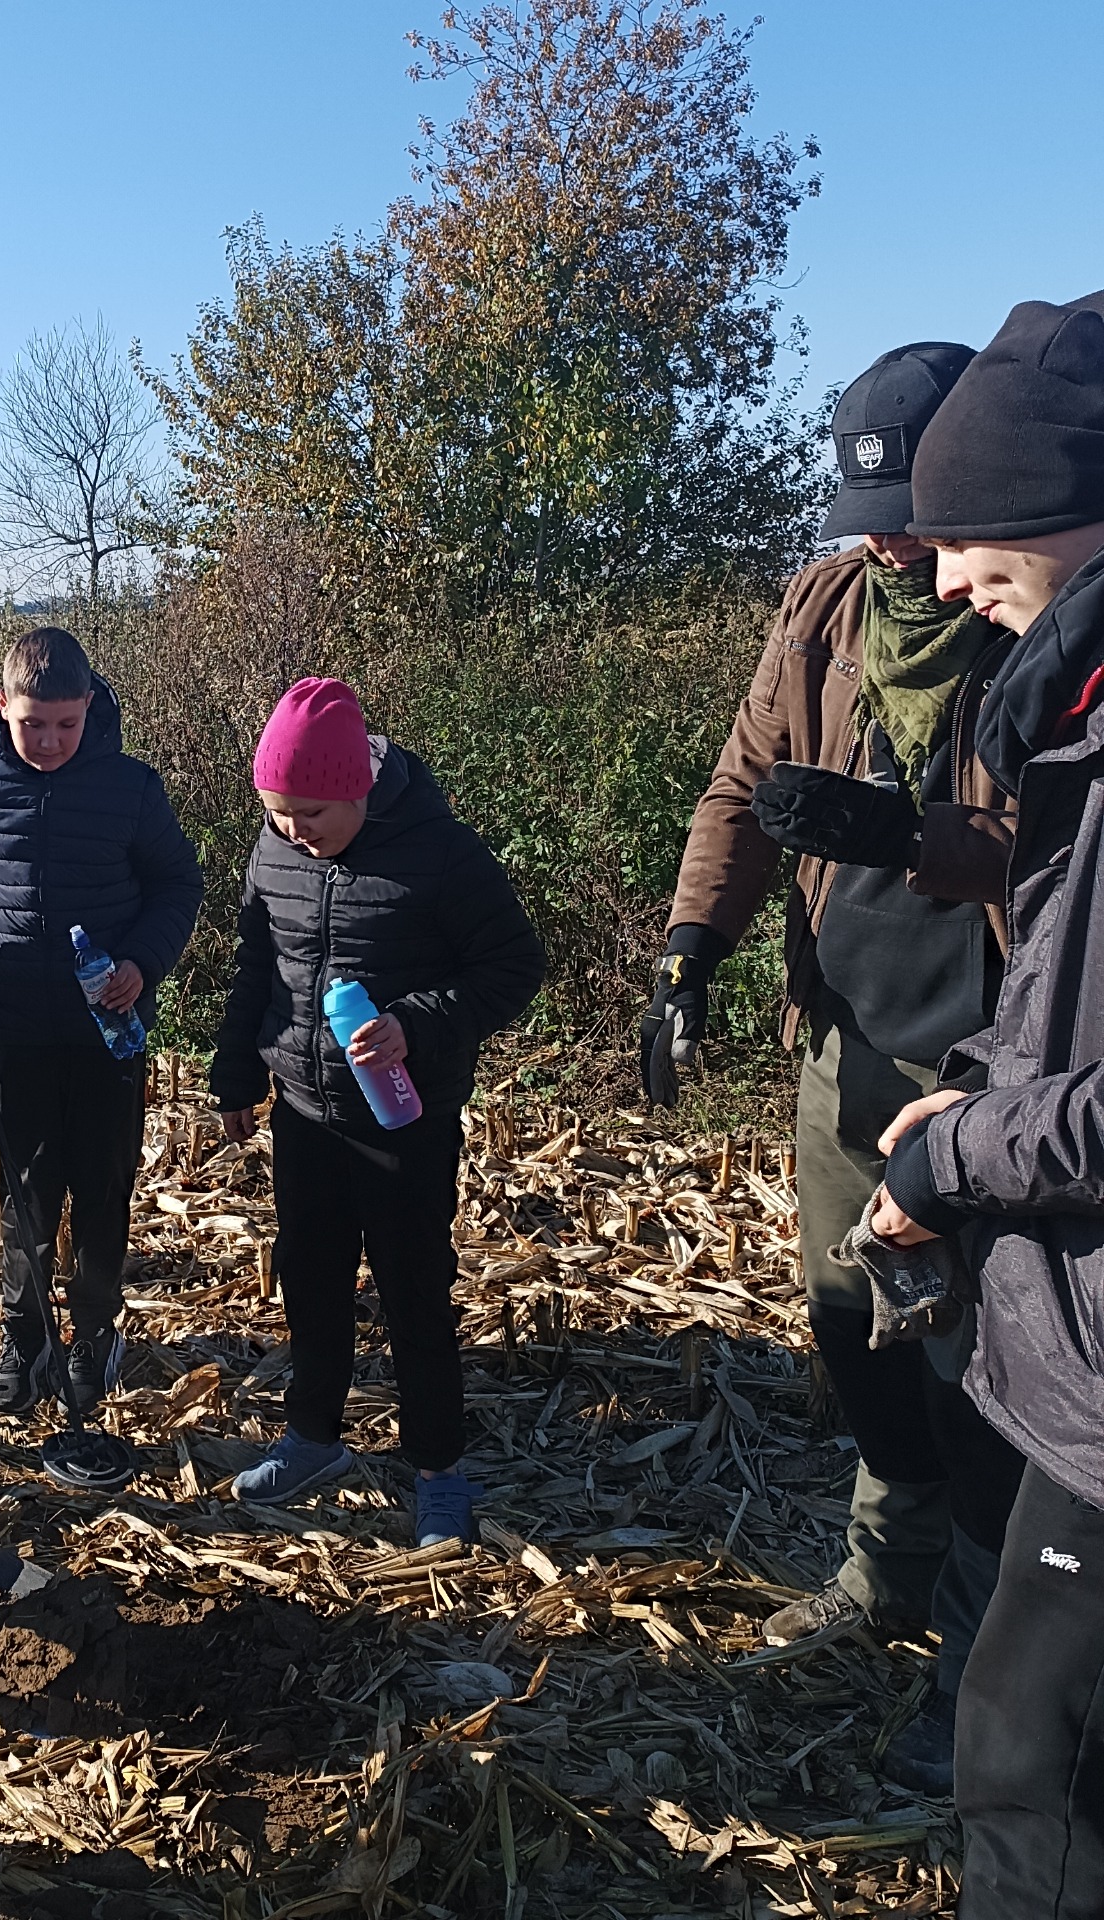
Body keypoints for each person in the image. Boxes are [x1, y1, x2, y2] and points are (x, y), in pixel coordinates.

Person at [644, 343, 1026, 1788]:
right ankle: (885, 1576)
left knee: (988, 1360)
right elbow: (743, 789)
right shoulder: (823, 609)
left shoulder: (1035, 618)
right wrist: (691, 946)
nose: (891, 547)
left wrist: (916, 839)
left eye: (911, 518)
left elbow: (1069, 851)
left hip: (996, 1057)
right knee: (849, 1315)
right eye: (869, 519)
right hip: (850, 1030)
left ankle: (985, 1662)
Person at [871, 295, 1104, 1918]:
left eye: (970, 533)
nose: (946, 578)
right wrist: (965, 1097)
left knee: (1032, 1775)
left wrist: (961, 1149)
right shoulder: (1076, 719)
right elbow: (1069, 993)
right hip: (1076, 1339)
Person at [210, 678, 544, 1545]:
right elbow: (258, 966)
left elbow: (512, 966)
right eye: (279, 813)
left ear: (358, 787)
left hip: (406, 1120)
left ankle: (438, 1467)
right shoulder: (274, 851)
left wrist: (414, 1025)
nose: (295, 830)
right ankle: (313, 1438)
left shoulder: (441, 852)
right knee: (310, 1280)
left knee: (414, 1291)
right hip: (304, 1111)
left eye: (312, 813)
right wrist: (237, 1072)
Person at [0, 626, 203, 1413]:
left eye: (67, 723)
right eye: (33, 724)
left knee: (102, 1183)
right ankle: (25, 1338)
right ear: (2, 705)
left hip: (109, 1027)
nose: (52, 741)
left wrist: (142, 963)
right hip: (12, 1021)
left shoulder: (131, 787)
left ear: (90, 706)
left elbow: (178, 884)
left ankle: (93, 1333)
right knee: (26, 1189)